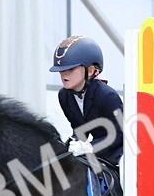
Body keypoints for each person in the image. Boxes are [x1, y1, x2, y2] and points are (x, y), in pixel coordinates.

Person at [50, 35, 124, 167]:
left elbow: (119, 134)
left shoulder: (108, 96)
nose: (64, 74)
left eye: (71, 69)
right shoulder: (64, 96)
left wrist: (89, 147)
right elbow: (80, 130)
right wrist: (68, 144)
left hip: (120, 155)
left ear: (90, 71)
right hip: (95, 154)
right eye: (61, 70)